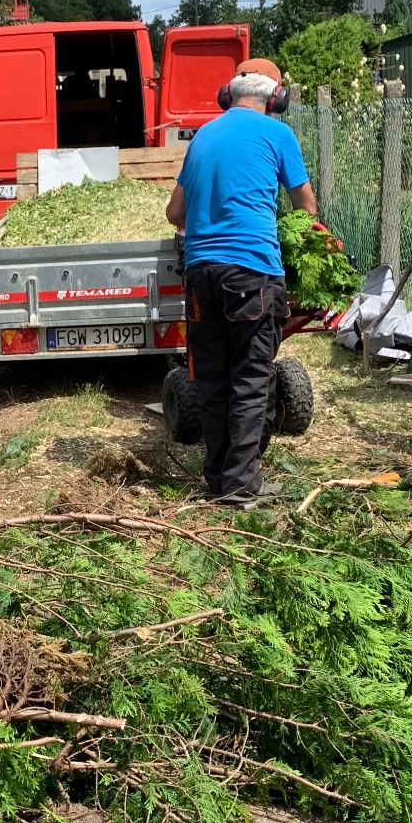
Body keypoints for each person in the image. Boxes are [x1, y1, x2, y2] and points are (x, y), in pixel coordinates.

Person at [164, 63, 317, 507]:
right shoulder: (277, 134)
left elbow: (175, 214)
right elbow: (305, 205)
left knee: (212, 377)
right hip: (251, 272)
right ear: (275, 99)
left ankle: (217, 476)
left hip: (201, 274)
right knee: (251, 377)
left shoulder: (203, 138)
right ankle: (242, 484)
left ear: (226, 96)